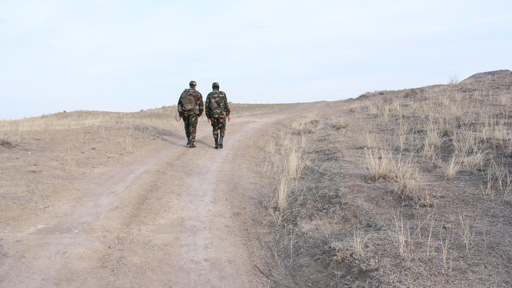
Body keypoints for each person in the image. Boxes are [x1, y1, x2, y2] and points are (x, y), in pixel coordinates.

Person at [178, 80, 204, 148]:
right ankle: (192, 141)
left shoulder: (184, 93)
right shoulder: (198, 93)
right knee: (193, 127)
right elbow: (201, 105)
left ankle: (188, 140)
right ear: (195, 86)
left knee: (187, 126)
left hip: (185, 112)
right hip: (193, 113)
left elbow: (179, 104)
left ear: (189, 85)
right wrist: (199, 114)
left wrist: (180, 113)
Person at [205, 82, 230, 149]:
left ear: (212, 87)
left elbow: (207, 107)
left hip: (213, 115)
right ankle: (221, 139)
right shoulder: (223, 94)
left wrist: (208, 116)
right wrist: (228, 114)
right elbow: (226, 104)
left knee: (215, 128)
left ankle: (216, 144)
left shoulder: (209, 95)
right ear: (218, 87)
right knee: (222, 127)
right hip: (222, 114)